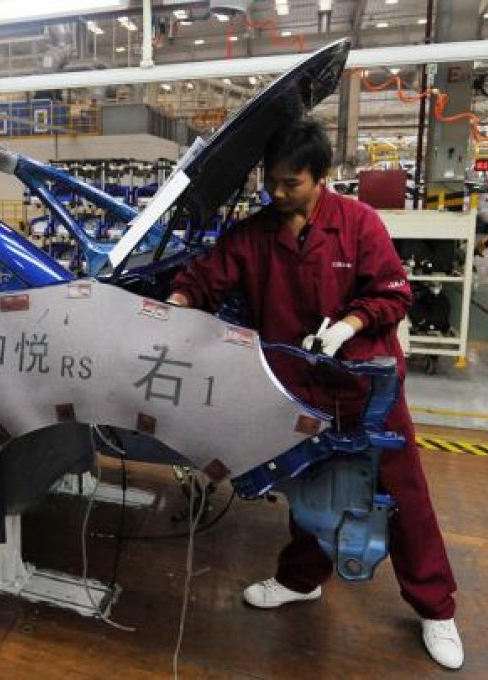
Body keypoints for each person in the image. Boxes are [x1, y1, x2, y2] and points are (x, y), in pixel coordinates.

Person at [166, 117, 463, 670]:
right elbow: (207, 278)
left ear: (321, 177)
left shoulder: (359, 225)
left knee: (401, 495)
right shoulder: (255, 235)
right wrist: (180, 302)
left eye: (290, 183)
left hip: (365, 387)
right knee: (307, 486)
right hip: (299, 387)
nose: (277, 193)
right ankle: (302, 580)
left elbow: (395, 292)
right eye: (270, 182)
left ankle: (435, 607)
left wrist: (351, 323)